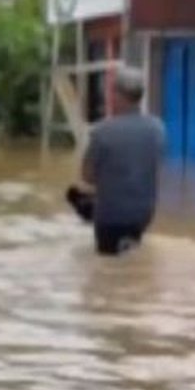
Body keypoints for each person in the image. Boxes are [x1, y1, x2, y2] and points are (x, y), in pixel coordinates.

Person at [66, 66, 165, 255]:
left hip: (111, 217)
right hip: (143, 214)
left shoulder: (101, 131)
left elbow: (87, 176)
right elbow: (153, 165)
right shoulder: (158, 128)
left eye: (112, 92)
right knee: (131, 257)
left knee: (74, 194)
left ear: (118, 96)